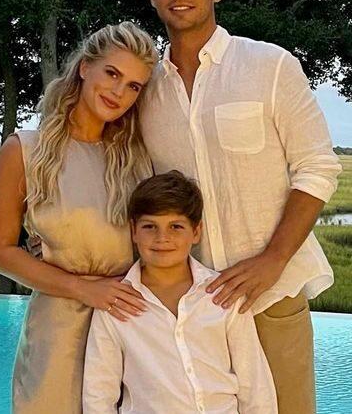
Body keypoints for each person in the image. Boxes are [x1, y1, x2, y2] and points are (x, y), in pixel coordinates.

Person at [139, 0, 343, 414]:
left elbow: (317, 167)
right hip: (192, 303)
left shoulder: (270, 66)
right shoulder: (144, 88)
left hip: (274, 294)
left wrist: (272, 259)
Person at [0, 22, 158, 413]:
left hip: (130, 327)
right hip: (58, 331)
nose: (118, 92)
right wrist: (84, 289)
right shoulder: (24, 150)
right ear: (84, 68)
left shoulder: (139, 159)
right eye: (112, 73)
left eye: (133, 86)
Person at [82, 171, 277, 414]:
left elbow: (254, 384)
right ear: (133, 231)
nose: (162, 238)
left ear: (196, 232)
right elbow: (98, 393)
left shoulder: (223, 294)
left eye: (176, 226)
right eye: (149, 226)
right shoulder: (116, 303)